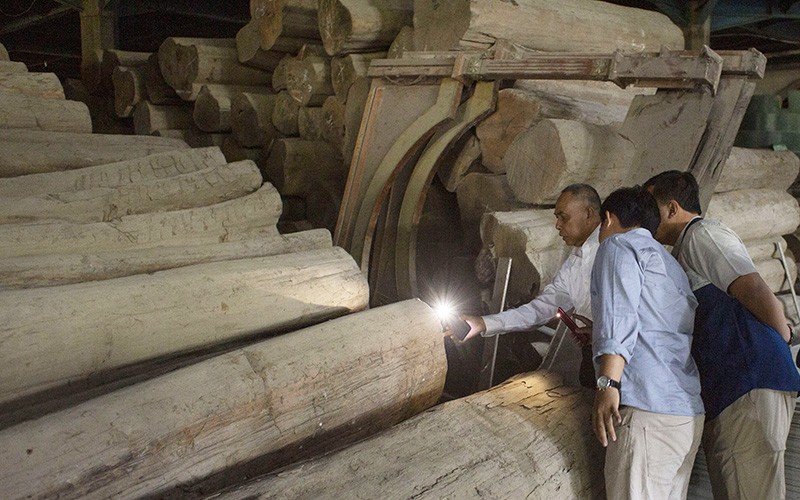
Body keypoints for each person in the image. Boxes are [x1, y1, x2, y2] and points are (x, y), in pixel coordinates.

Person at [643, 170, 800, 500]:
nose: (643, 216)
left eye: (649, 206)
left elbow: (752, 286)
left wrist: (782, 337)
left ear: (672, 208)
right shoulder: (683, 250)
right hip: (735, 387)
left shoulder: (702, 235)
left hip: (748, 381)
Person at [591, 186, 704, 500]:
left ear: (608, 218)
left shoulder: (618, 245)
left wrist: (607, 383)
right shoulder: (669, 264)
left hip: (646, 409)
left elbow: (619, 315)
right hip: (685, 414)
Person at [461, 184, 601, 384]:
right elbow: (541, 309)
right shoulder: (575, 260)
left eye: (563, 217)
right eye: (557, 218)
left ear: (588, 213)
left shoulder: (614, 252)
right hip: (592, 355)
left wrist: (605, 334)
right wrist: (484, 323)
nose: (557, 225)